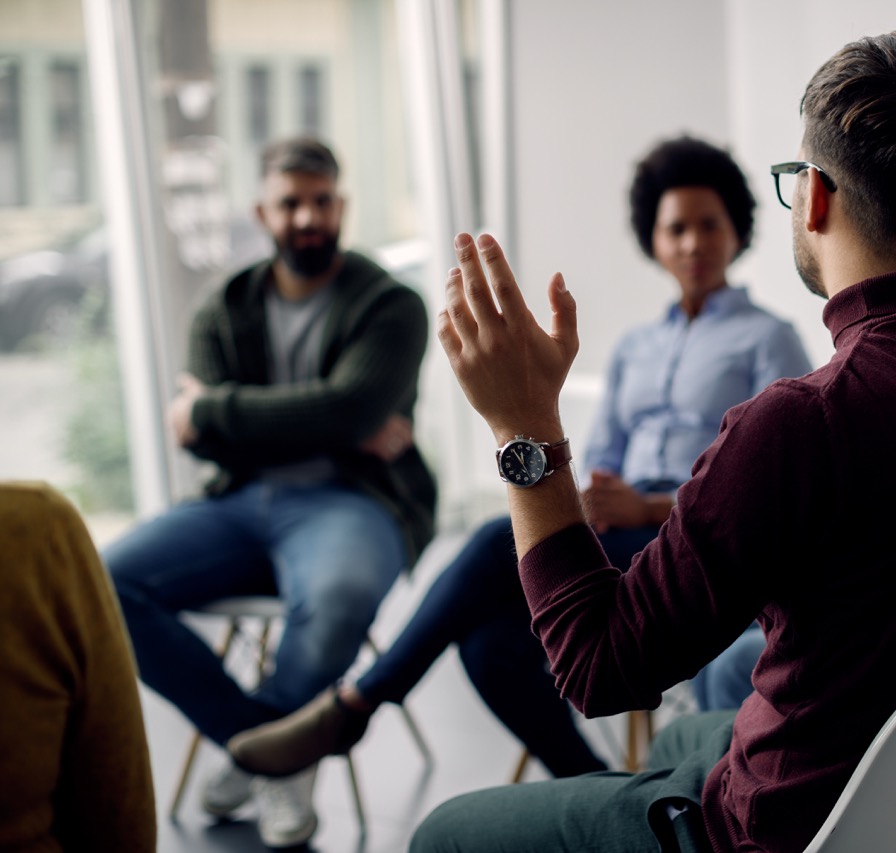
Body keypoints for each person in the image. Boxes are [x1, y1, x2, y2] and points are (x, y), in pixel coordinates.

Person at [411, 29, 896, 853]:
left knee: (445, 833)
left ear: (813, 197)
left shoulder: (801, 425)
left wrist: (521, 426)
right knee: (686, 736)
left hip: (789, 832)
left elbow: (598, 668)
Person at [227, 135, 812, 782]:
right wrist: (594, 500)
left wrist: (648, 504)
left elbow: (773, 484)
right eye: (677, 227)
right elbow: (600, 459)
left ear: (738, 231)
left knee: (486, 543)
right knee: (489, 642)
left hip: (695, 536)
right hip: (618, 529)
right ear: (655, 239)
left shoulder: (768, 338)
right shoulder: (633, 347)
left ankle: (357, 702)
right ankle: (594, 787)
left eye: (710, 224)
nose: (694, 242)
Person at [103, 136, 437, 849]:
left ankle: (257, 755)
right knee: (103, 581)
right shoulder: (222, 305)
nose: (307, 216)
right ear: (262, 211)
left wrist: (222, 409)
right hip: (238, 501)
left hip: (354, 500)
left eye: (322, 201)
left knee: (341, 596)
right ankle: (269, 749)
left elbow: (337, 410)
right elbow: (210, 438)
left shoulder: (392, 305)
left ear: (341, 205)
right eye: (291, 203)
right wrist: (330, 416)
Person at [0, 482, 156, 852]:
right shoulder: (31, 524)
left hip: (311, 505)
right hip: (229, 501)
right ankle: (248, 736)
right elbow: (122, 825)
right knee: (124, 580)